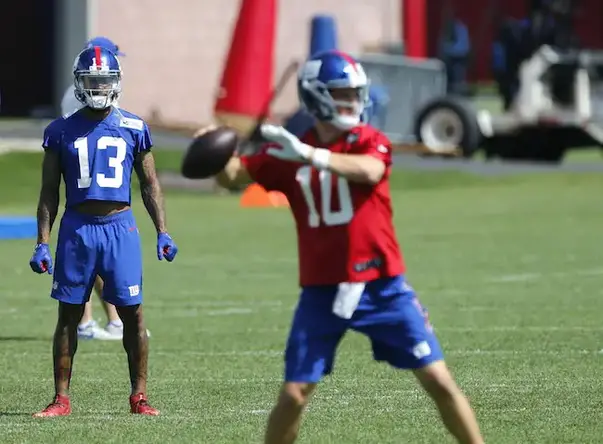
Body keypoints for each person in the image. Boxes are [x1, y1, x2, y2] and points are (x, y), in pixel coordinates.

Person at [211, 51, 484, 443]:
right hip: (322, 290)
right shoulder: (291, 150)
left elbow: (370, 170)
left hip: (381, 285)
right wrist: (214, 147)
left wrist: (311, 156)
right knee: (293, 394)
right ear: (317, 96)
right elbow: (235, 174)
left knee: (438, 380)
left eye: (355, 93)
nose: (352, 102)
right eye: (341, 93)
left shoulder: (366, 141)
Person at [30, 45, 178, 417]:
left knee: (133, 313)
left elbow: (150, 184)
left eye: (104, 80)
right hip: (78, 228)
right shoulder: (60, 129)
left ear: (116, 82)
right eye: (91, 80)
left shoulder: (133, 126)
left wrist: (163, 230)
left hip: (120, 227)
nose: (98, 87)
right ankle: (61, 398)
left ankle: (139, 396)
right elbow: (50, 191)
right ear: (79, 84)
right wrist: (42, 241)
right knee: (68, 313)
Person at [61, 36, 130, 341]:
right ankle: (87, 322)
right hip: (88, 185)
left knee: (102, 266)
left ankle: (112, 321)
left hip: (105, 187)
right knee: (85, 266)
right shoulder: (76, 100)